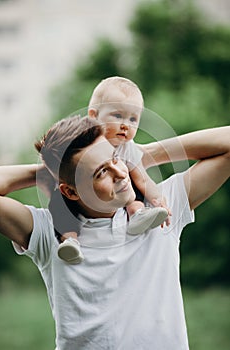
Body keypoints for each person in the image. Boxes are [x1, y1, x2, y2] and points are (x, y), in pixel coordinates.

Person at [0, 115, 229, 350]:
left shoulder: (161, 206)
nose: (120, 173)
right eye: (101, 172)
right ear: (69, 191)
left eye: (116, 158)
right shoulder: (49, 232)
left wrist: (144, 154)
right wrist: (43, 173)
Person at [50, 76, 169, 264]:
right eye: (118, 116)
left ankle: (137, 214)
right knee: (58, 205)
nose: (125, 125)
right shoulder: (83, 142)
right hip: (76, 195)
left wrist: (157, 199)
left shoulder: (127, 147)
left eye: (133, 119)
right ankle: (70, 240)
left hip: (119, 194)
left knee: (136, 190)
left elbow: (142, 178)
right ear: (93, 116)